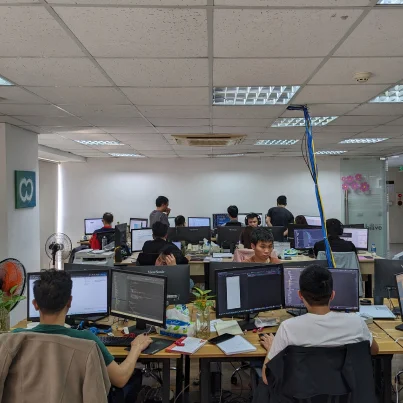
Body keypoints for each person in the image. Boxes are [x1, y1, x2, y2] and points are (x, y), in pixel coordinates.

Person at [13, 269, 153, 391]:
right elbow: (120, 379)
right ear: (69, 302)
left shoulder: (14, 339)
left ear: (35, 304)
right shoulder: (86, 340)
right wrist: (136, 347)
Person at [259, 264, 378, 385]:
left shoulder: (287, 328)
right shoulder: (357, 323)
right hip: (347, 392)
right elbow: (374, 350)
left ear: (300, 295)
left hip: (302, 393)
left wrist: (271, 348)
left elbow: (267, 378)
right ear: (332, 295)